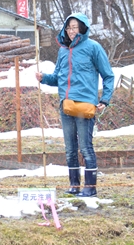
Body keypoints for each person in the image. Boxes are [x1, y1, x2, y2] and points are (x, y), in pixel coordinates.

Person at [36, 12, 114, 197]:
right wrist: (44, 78)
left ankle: (90, 187)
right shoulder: (63, 50)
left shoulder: (93, 47)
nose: (71, 31)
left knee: (86, 147)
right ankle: (74, 185)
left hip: (86, 104)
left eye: (75, 27)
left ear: (83, 28)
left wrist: (104, 99)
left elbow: (108, 75)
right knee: (70, 148)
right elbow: (58, 77)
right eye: (69, 27)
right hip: (66, 105)